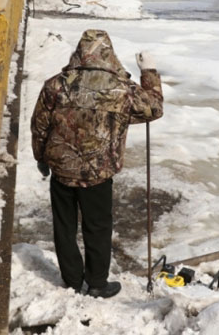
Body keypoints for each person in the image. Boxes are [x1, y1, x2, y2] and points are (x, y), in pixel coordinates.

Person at [31, 30, 163, 298]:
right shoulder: (120, 90)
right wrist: (148, 72)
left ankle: (71, 280)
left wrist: (41, 158)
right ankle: (97, 283)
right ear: (108, 54)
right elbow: (153, 109)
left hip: (62, 171)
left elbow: (39, 127)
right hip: (98, 174)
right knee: (98, 228)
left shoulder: (56, 85)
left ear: (80, 52)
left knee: (64, 227)